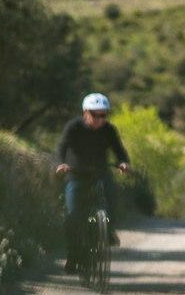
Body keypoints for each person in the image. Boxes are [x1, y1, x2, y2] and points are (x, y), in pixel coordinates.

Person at [55, 93, 130, 272]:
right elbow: (62, 146)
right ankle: (73, 256)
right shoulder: (74, 127)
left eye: (103, 115)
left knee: (112, 196)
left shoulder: (109, 129)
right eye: (95, 115)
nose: (99, 119)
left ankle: (108, 230)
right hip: (76, 174)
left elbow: (119, 150)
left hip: (100, 173)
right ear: (85, 112)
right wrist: (60, 163)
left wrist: (123, 162)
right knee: (73, 216)